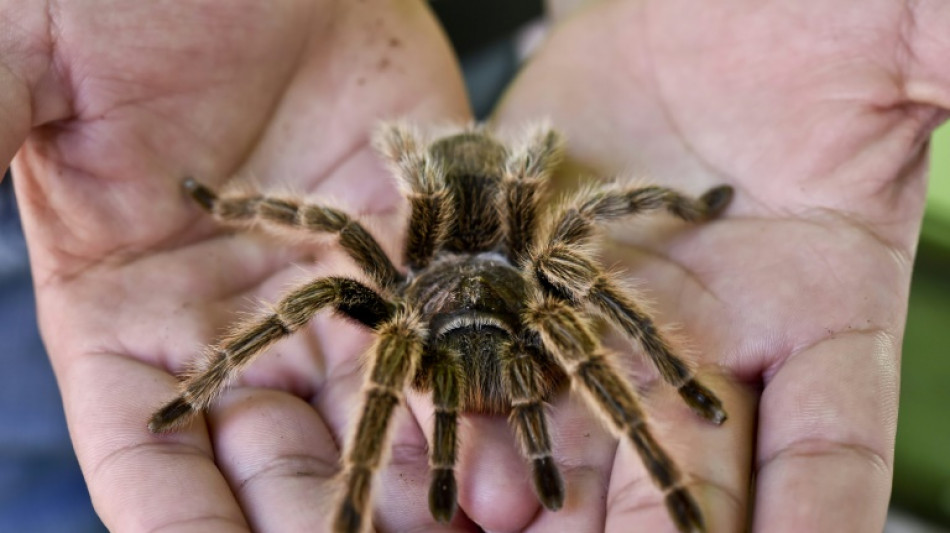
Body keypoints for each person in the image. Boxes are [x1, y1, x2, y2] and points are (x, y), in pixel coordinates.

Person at [1, 1, 946, 531]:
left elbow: (595, 232)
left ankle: (667, 475)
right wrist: (207, 365)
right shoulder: (397, 310)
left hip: (495, 130)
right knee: (326, 264)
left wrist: (669, 366)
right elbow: (323, 234)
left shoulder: (546, 286)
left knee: (581, 218)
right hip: (403, 242)